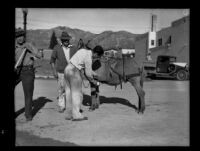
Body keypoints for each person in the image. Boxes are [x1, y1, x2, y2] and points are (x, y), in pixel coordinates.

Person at [64, 45, 104, 121]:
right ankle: (76, 115)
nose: (96, 58)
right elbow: (88, 73)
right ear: (95, 53)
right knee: (77, 94)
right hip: (74, 71)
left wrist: (94, 73)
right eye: (98, 57)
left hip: (67, 69)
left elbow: (86, 69)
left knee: (68, 93)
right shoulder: (89, 58)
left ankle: (69, 114)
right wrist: (94, 81)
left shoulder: (83, 51)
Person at [15, 28, 43, 122]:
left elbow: (39, 55)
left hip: (28, 71)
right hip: (17, 71)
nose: (20, 38)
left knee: (28, 94)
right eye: (18, 36)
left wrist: (29, 48)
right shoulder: (15, 47)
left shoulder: (29, 45)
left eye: (22, 36)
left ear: (24, 37)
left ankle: (28, 114)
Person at [50, 31, 75, 113]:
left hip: (71, 72)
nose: (66, 41)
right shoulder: (57, 48)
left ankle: (70, 107)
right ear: (61, 40)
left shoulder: (73, 48)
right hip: (61, 72)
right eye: (64, 40)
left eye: (67, 40)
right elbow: (52, 60)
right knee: (61, 90)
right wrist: (54, 71)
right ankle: (61, 106)